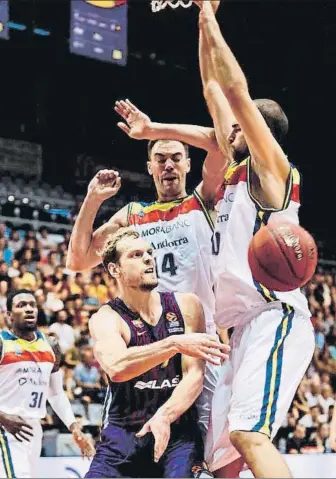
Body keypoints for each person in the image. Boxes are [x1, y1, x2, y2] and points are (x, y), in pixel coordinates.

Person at [153, 2, 312, 477]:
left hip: (274, 317)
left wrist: (210, 20)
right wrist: (200, 18)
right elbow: (210, 88)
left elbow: (234, 91)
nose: (229, 131)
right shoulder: (236, 175)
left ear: (257, 132)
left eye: (239, 128)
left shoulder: (273, 172)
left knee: (249, 434)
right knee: (219, 461)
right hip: (239, 332)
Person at [67, 86, 232, 446]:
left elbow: (221, 144)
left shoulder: (203, 201)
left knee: (209, 451)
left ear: (189, 164)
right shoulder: (133, 216)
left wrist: (153, 129)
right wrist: (93, 201)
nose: (168, 164)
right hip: (150, 341)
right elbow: (78, 261)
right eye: (160, 159)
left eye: (176, 157)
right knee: (143, 447)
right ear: (149, 168)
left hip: (199, 339)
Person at [85, 228, 230, 478]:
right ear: (114, 270)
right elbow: (117, 368)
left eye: (150, 253)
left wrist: (164, 415)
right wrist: (173, 344)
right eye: (136, 254)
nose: (149, 258)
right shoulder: (106, 318)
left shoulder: (186, 305)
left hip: (177, 432)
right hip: (123, 435)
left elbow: (194, 376)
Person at [0, 289, 94, 478]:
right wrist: (2, 417)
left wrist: (74, 427)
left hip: (34, 427)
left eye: (32, 305)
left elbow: (56, 394)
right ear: (9, 315)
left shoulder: (51, 345)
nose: (29, 309)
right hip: (4, 427)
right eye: (21, 305)